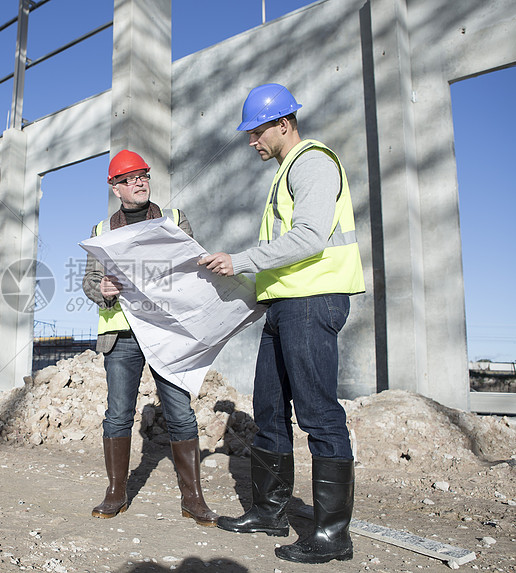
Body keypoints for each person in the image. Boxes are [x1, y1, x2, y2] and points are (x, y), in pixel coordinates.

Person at [198, 84, 365, 564]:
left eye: (256, 131)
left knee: (318, 414)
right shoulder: (285, 171)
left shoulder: (312, 162)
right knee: (269, 410)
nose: (252, 141)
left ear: (282, 124)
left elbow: (310, 237)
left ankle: (333, 535)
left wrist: (242, 261)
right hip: (286, 304)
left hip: (313, 301)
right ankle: (269, 510)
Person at [82, 149, 218, 527]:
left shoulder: (175, 220)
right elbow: (90, 282)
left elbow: (191, 265)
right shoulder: (102, 231)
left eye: (143, 175)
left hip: (166, 330)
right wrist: (104, 287)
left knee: (180, 412)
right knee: (118, 415)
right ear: (115, 188)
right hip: (122, 334)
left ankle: (193, 498)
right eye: (130, 178)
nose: (140, 182)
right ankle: (116, 492)